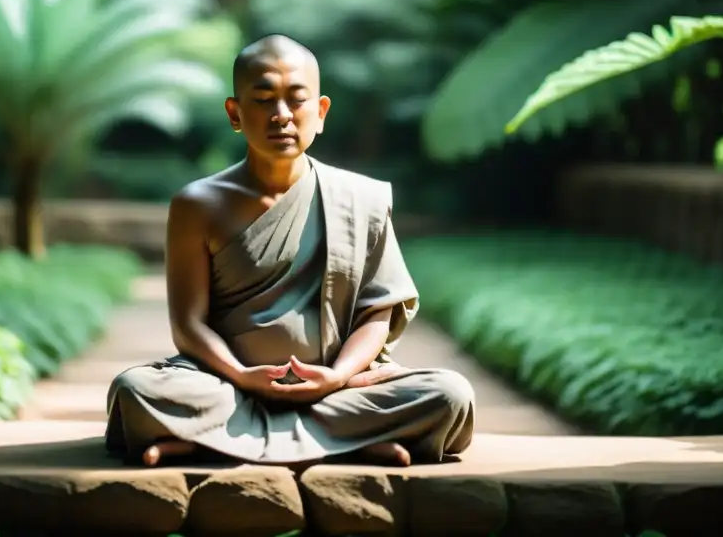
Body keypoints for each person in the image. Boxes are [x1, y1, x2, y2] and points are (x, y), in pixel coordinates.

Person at [105, 34, 474, 468]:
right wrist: (242, 376)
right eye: (262, 100)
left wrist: (336, 377)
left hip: (338, 389)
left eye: (296, 100)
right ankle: (350, 443)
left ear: (320, 112)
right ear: (235, 113)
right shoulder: (198, 205)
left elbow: (378, 312)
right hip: (228, 386)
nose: (281, 115)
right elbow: (188, 325)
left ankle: (213, 441)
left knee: (450, 395)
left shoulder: (359, 198)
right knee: (135, 390)